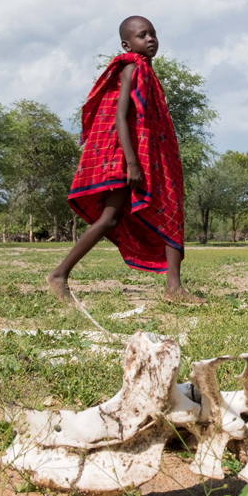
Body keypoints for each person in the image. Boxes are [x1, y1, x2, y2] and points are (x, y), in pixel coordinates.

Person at [47, 16, 204, 305]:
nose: (150, 39)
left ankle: (174, 288)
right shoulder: (132, 69)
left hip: (150, 157)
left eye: (153, 34)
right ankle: (59, 275)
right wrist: (132, 163)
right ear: (126, 43)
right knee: (109, 218)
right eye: (142, 35)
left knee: (169, 210)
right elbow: (120, 117)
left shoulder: (148, 72)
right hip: (127, 157)